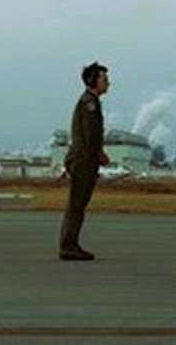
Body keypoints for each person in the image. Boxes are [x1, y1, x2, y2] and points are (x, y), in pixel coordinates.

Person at [59, 61, 111, 260]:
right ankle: (68, 246)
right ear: (92, 80)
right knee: (76, 205)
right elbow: (91, 136)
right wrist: (100, 155)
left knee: (78, 205)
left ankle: (70, 244)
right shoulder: (89, 103)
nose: (108, 83)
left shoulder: (91, 101)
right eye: (104, 79)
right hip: (83, 160)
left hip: (84, 160)